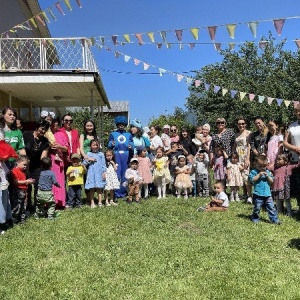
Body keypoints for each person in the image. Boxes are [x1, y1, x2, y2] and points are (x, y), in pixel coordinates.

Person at [23, 120, 49, 211]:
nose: (43, 131)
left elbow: (43, 156)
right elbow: (21, 148)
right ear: (37, 127)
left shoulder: (45, 141)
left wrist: (46, 165)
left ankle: (38, 207)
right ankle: (27, 207)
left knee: (38, 186)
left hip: (37, 166)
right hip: (25, 165)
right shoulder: (26, 134)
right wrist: (25, 161)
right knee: (27, 186)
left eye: (45, 130)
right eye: (42, 128)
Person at [248, 155, 280, 224]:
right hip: (258, 193)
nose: (262, 168)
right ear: (255, 164)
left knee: (271, 207)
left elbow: (271, 182)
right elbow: (252, 180)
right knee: (257, 207)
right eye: (260, 166)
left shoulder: (268, 172)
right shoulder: (254, 172)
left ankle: (274, 219)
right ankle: (255, 217)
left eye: (264, 166)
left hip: (267, 194)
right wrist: (259, 175)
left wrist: (268, 176)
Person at [108, 116, 134, 199]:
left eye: (123, 124)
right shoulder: (113, 134)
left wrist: (131, 146)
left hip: (126, 155)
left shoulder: (128, 134)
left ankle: (124, 191)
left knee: (125, 173)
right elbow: (109, 144)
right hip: (116, 154)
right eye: (119, 124)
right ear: (117, 125)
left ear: (125, 125)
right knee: (117, 173)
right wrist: (111, 144)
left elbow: (132, 143)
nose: (121, 126)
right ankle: (115, 192)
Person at [283, 103, 300, 212]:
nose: (298, 113)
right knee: (298, 185)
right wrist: (295, 148)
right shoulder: (292, 126)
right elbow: (285, 142)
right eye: (297, 111)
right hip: (295, 160)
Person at [49, 118, 69, 208]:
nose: (55, 125)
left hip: (59, 161)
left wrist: (59, 146)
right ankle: (50, 202)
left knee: (59, 180)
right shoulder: (47, 133)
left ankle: (60, 202)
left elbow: (66, 148)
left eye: (57, 123)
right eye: (53, 123)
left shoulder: (61, 134)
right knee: (50, 180)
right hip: (49, 159)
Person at [10, 155, 35, 224]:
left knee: (24, 206)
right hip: (18, 191)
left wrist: (29, 181)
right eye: (24, 165)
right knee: (17, 206)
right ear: (18, 162)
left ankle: (22, 219)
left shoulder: (23, 172)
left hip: (24, 191)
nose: (25, 167)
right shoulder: (14, 171)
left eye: (26, 165)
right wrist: (26, 181)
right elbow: (16, 182)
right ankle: (14, 219)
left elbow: (23, 181)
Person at [233, 117, 252, 203]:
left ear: (245, 124)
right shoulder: (236, 135)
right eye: (239, 124)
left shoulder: (248, 133)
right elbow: (234, 146)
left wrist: (247, 158)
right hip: (238, 156)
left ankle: (249, 196)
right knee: (240, 175)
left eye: (243, 123)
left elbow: (249, 146)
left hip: (245, 156)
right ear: (237, 125)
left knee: (246, 176)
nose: (241, 125)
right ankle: (244, 194)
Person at [84, 139, 107, 208]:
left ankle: (100, 202)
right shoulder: (88, 154)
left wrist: (104, 172)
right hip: (91, 174)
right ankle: (92, 203)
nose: (95, 146)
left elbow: (103, 164)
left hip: (99, 174)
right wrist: (89, 159)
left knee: (99, 189)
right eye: (93, 145)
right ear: (90, 146)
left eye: (97, 145)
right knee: (92, 189)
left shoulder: (101, 154)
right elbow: (84, 163)